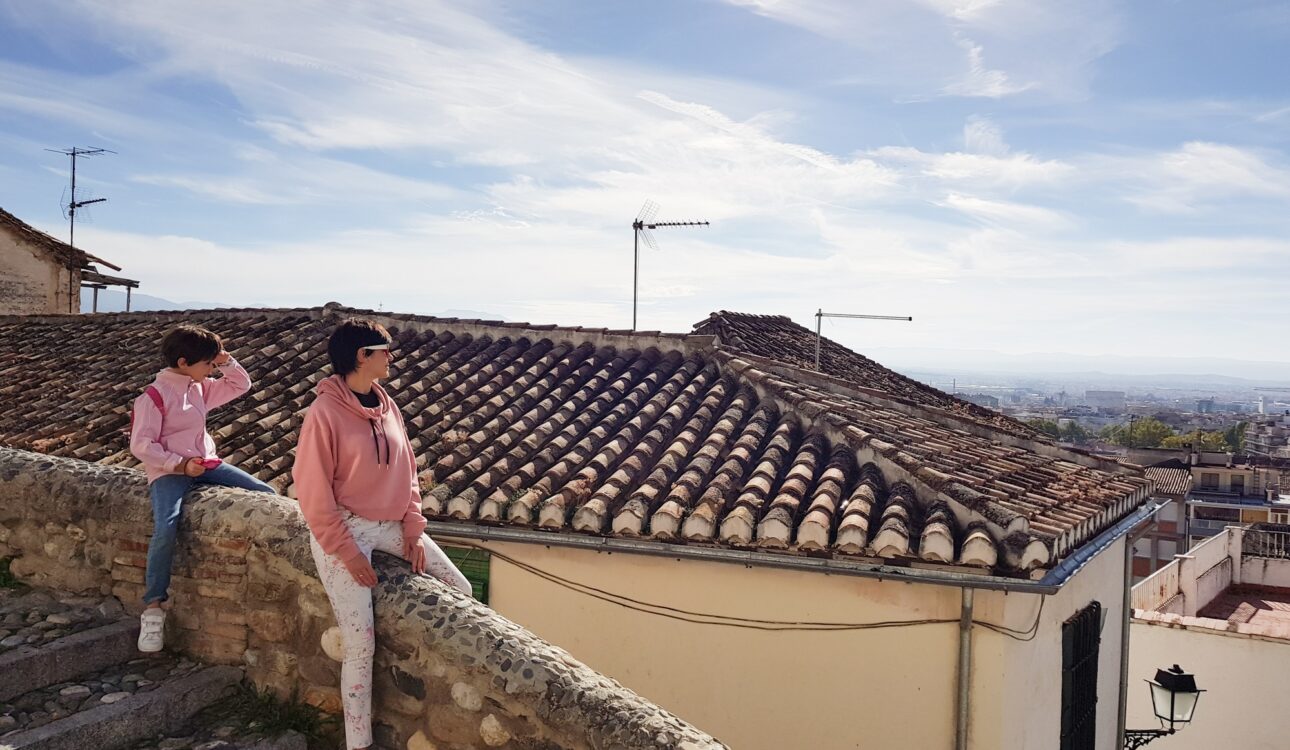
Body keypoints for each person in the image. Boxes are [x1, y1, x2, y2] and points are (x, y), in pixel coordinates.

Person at [293, 318, 471, 750]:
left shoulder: (388, 406)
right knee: (360, 644)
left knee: (461, 589)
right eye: (384, 350)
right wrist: (347, 552)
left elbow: (407, 472)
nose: (390, 357)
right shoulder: (324, 413)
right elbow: (312, 489)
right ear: (362, 356)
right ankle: (359, 743)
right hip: (345, 529)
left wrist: (413, 528)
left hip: (391, 524)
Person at [129, 324, 276, 653]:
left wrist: (225, 361)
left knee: (265, 494)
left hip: (206, 464)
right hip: (169, 472)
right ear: (184, 363)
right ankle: (153, 607)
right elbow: (141, 445)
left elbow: (240, 384)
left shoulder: (200, 388)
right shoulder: (153, 397)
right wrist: (179, 465)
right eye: (207, 364)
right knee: (166, 526)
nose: (211, 370)